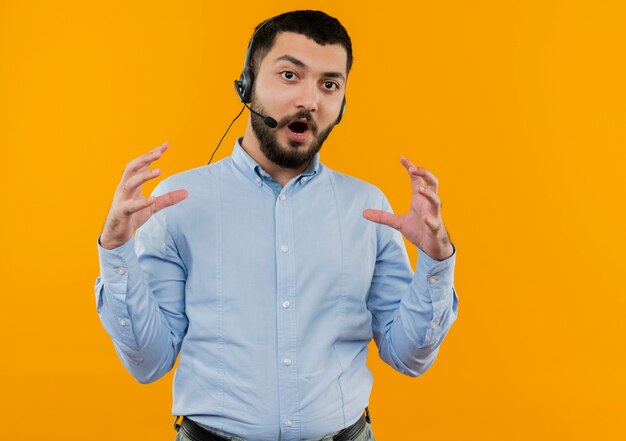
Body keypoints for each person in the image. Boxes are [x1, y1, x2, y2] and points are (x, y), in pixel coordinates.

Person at [95, 10, 459, 441]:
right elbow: (148, 362)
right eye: (290, 75)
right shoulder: (178, 203)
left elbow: (408, 357)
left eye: (329, 84)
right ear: (247, 85)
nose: (310, 99)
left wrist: (436, 261)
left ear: (342, 103)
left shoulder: (368, 207)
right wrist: (116, 250)